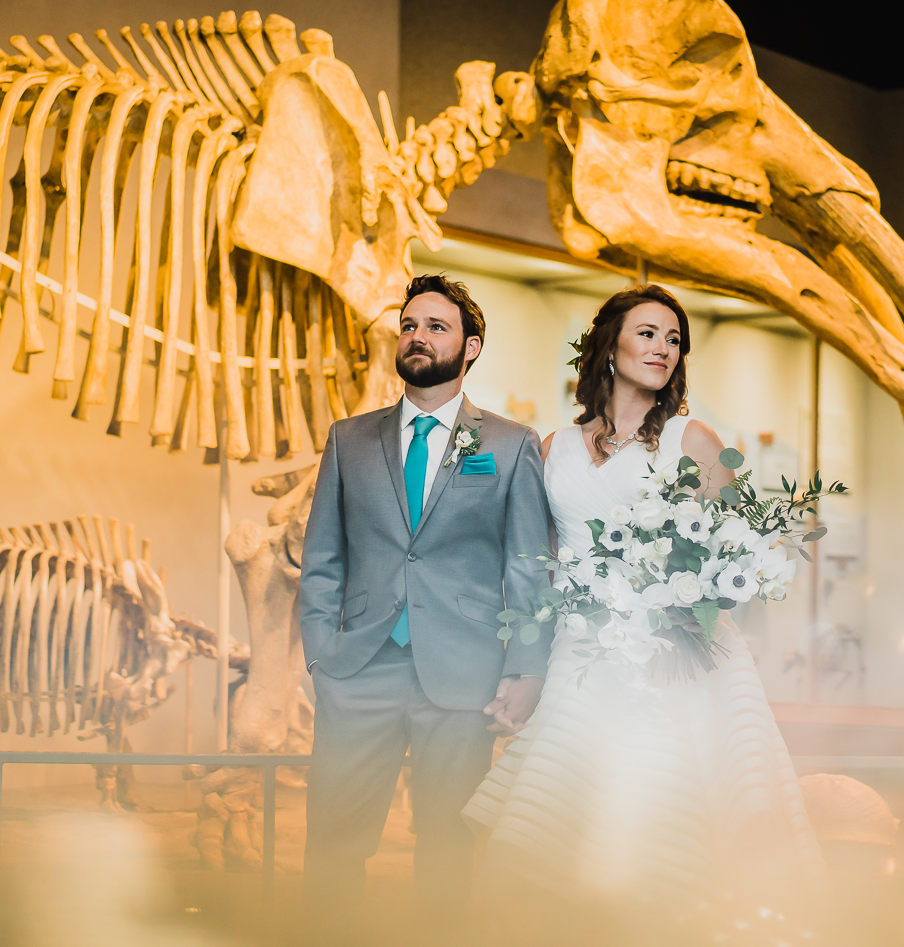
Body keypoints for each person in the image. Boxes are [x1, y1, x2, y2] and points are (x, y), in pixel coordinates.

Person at [463, 284, 828, 904]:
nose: (663, 348)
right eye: (649, 333)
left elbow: (732, 552)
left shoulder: (693, 441)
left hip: (676, 660)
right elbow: (538, 566)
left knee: (669, 825)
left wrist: (673, 607)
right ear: (610, 347)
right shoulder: (552, 449)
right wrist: (521, 663)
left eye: (674, 339)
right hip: (581, 657)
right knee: (559, 829)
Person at [300, 274, 551, 909]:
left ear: (470, 347)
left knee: (447, 842)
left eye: (437, 327)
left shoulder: (509, 444)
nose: (417, 336)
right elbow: (324, 559)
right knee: (333, 840)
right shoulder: (348, 440)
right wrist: (320, 656)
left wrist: (524, 668)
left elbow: (527, 566)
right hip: (357, 669)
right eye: (409, 325)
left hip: (463, 675)